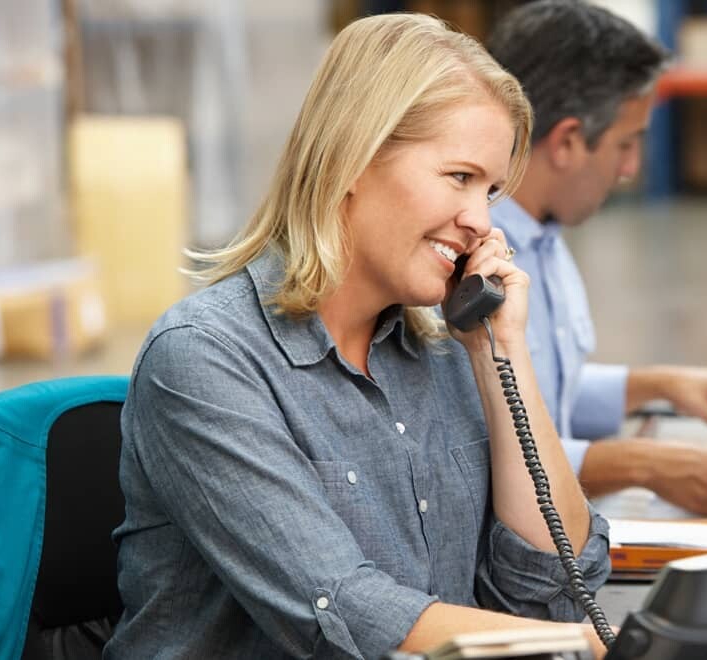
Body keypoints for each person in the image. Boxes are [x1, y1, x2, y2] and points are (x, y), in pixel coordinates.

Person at [105, 14, 612, 660]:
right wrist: (590, 646)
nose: (481, 223)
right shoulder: (205, 359)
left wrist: (499, 355)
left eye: (490, 190)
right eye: (459, 178)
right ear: (353, 157)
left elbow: (559, 591)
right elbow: (346, 616)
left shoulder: (443, 353)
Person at [486, 0, 707, 517]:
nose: (631, 168)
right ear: (568, 141)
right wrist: (641, 465)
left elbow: (538, 394)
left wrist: (655, 385)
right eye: (626, 143)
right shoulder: (475, 266)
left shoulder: (543, 238)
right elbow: (482, 453)